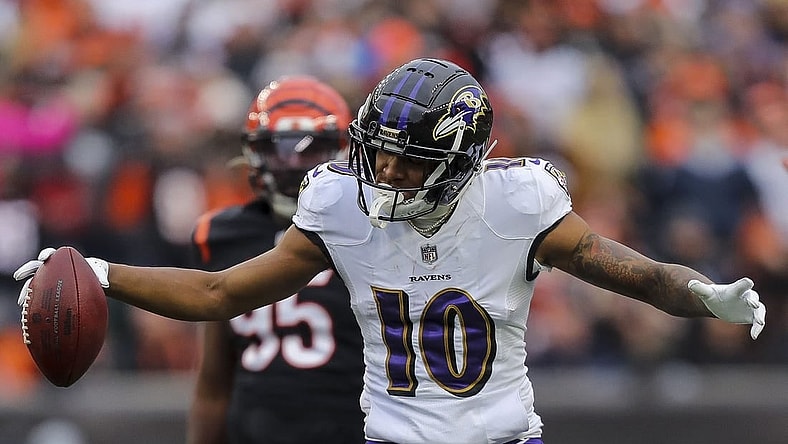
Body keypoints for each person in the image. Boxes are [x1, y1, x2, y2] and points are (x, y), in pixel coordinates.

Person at [15, 58, 766, 444]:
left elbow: (631, 270)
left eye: (409, 161)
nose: (386, 175)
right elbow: (223, 295)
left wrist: (700, 295)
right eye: (379, 153)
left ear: (462, 160)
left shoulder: (519, 202)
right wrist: (103, 274)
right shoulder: (339, 202)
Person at [185, 76, 365, 443]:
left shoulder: (370, 228)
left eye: (310, 150)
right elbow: (214, 382)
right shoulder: (221, 236)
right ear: (253, 153)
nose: (294, 165)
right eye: (278, 150)